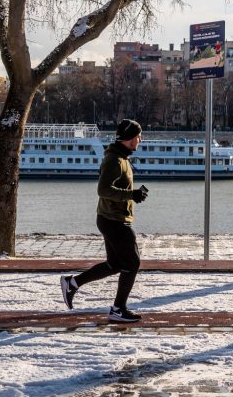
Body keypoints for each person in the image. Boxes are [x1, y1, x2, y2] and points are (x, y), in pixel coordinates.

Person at [60, 118, 149, 323]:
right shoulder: (114, 160)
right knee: (132, 263)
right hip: (113, 220)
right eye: (138, 136)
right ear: (129, 138)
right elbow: (103, 189)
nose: (140, 140)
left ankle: (72, 283)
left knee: (114, 264)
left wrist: (134, 195)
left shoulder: (122, 157)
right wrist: (131, 195)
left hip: (112, 218)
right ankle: (118, 309)